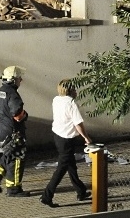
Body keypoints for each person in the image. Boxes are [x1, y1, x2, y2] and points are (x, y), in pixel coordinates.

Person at [40, 79, 92, 207]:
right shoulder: (71, 103)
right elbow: (78, 123)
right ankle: (47, 196)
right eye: (74, 88)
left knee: (71, 166)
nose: (76, 91)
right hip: (67, 139)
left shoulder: (56, 99)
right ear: (70, 90)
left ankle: (81, 191)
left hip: (58, 136)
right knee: (62, 168)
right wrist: (86, 137)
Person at [0, 66, 30, 197]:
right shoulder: (12, 94)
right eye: (18, 78)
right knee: (17, 158)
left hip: (0, 130)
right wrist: (25, 115)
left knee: (10, 157)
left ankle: (3, 182)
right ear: (12, 79)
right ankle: (11, 187)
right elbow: (18, 115)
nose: (20, 80)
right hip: (13, 132)